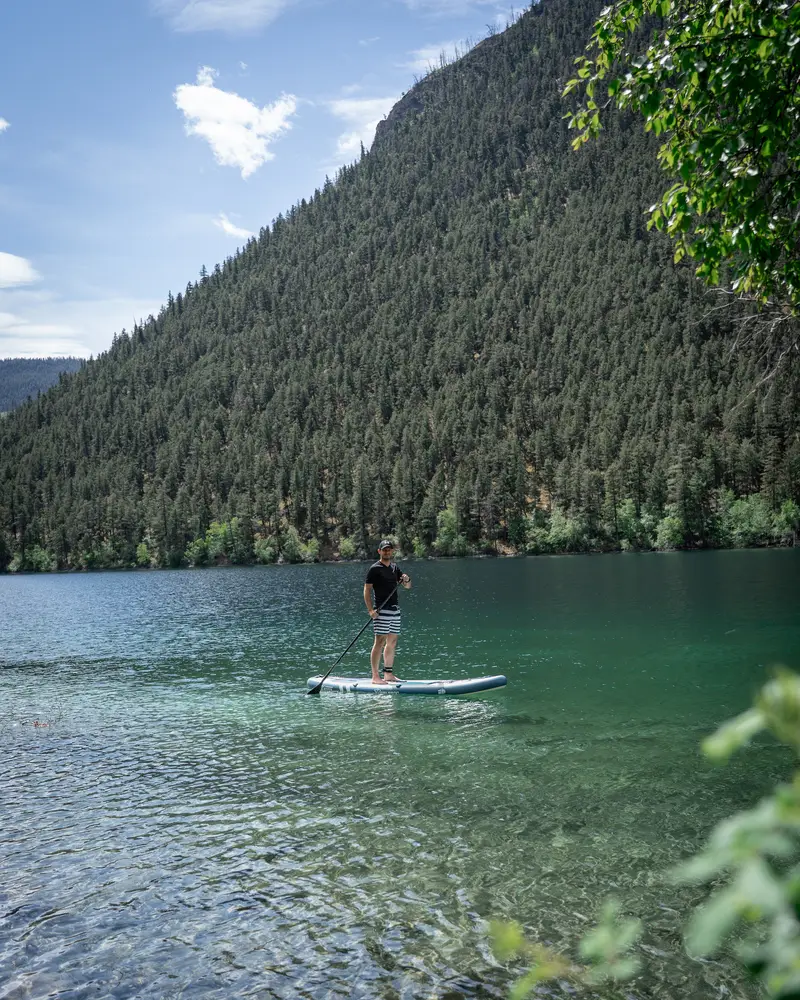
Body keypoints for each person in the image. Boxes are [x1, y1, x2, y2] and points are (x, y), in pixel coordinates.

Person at [364, 539, 411, 684]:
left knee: (392, 642)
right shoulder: (375, 569)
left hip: (395, 610)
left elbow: (407, 586)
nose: (387, 552)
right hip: (381, 611)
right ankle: (375, 677)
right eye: (384, 549)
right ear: (379, 551)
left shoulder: (394, 568)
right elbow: (367, 590)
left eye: (389, 549)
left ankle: (388, 674)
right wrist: (371, 610)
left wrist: (406, 579)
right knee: (379, 642)